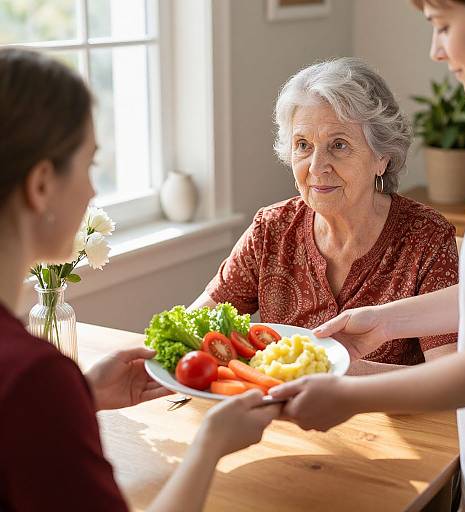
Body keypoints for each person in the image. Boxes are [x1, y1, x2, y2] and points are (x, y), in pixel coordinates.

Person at [0, 48, 280, 512]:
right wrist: (210, 443)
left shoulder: (35, 385)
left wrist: (81, 397)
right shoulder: (34, 377)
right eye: (89, 165)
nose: (93, 189)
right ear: (41, 184)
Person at [270, 1, 465, 510]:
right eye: (303, 145)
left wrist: (347, 389)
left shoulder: (423, 233)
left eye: (443, 25)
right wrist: (384, 320)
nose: (435, 49)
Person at [190, 57, 458, 375]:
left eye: (339, 145)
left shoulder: (425, 237)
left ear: (382, 158)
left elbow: (449, 375)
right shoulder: (271, 229)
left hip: (385, 420)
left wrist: (339, 371)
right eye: (303, 145)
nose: (317, 168)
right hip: (284, 419)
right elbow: (195, 327)